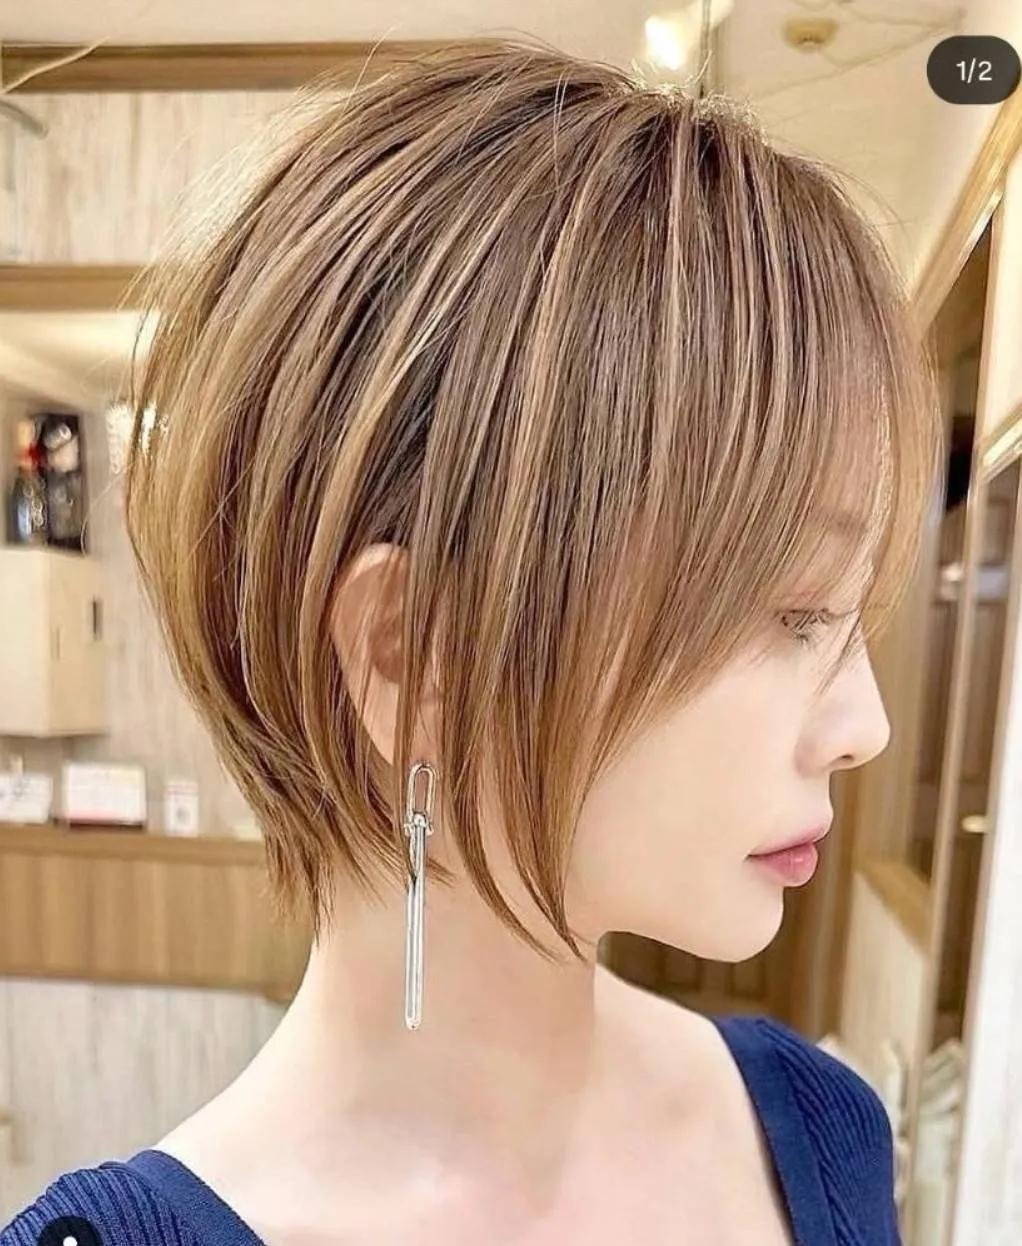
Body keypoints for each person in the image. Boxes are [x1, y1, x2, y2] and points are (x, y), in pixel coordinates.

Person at [2, 36, 939, 1246]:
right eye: (796, 612)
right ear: (413, 652)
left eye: (852, 618)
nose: (863, 727)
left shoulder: (816, 1130)